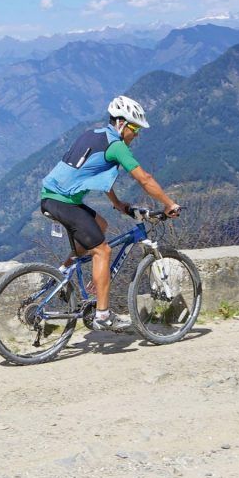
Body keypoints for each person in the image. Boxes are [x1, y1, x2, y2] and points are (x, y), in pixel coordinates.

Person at [40, 95, 180, 331]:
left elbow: (96, 174)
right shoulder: (117, 147)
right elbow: (144, 179)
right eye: (135, 128)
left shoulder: (93, 134)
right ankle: (103, 316)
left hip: (51, 198)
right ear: (122, 124)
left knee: (100, 225)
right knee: (102, 251)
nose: (136, 135)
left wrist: (118, 204)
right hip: (64, 203)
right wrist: (169, 203)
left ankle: (63, 274)